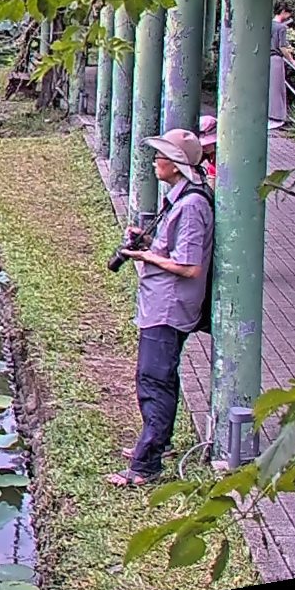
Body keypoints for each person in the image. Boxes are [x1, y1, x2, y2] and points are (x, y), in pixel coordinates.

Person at [122, 127, 218, 486]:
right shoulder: (180, 197)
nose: (154, 162)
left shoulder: (191, 205)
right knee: (157, 377)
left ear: (176, 165)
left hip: (169, 307)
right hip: (159, 303)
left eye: (160, 156)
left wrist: (146, 255)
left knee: (155, 380)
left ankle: (145, 466)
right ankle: (154, 444)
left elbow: (190, 266)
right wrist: (146, 240)